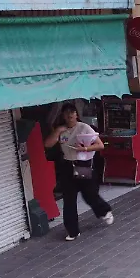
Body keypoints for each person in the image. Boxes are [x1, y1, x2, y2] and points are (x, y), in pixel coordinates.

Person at [44, 103, 112, 241]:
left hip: (83, 164)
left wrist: (85, 149)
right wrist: (57, 131)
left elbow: (100, 145)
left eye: (72, 112)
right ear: (63, 115)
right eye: (67, 112)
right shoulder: (61, 130)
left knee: (89, 195)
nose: (70, 115)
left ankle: (104, 211)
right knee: (69, 199)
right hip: (67, 166)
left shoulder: (84, 127)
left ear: (76, 114)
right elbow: (47, 144)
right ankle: (72, 230)